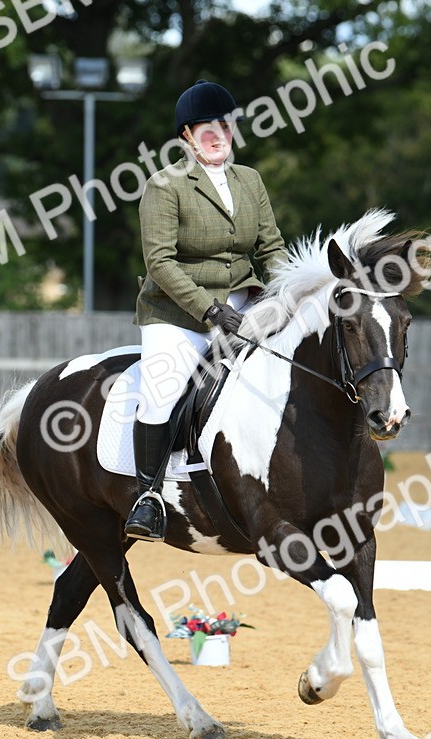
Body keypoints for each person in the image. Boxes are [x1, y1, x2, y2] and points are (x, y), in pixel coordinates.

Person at [124, 79, 288, 542]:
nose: (218, 135)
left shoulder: (249, 180)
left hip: (245, 301)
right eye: (206, 129)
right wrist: (210, 310)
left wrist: (290, 292)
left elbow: (271, 247)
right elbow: (160, 262)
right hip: (178, 311)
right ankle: (148, 496)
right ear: (187, 136)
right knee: (161, 390)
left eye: (225, 126)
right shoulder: (164, 185)